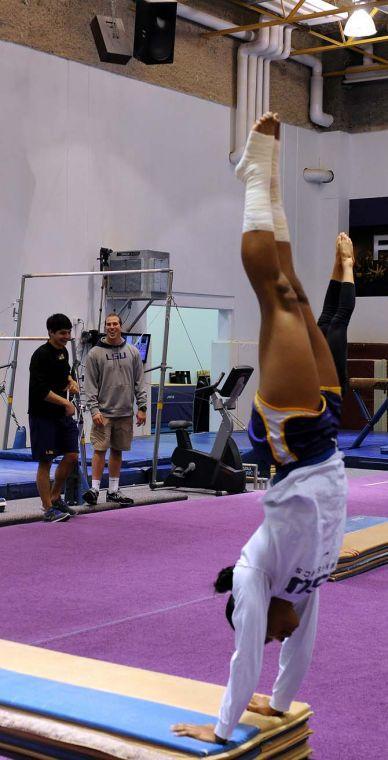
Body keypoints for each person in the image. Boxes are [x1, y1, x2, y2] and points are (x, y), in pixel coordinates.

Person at [172, 114, 347, 745]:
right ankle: (262, 177)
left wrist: (220, 729)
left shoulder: (255, 581)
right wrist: (280, 699)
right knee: (298, 296)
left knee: (272, 294)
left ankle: (256, 175)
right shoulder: (303, 594)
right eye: (277, 633)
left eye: (271, 629)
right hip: (324, 441)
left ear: (250, 612)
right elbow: (301, 648)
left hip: (290, 445)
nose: (280, 634)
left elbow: (244, 655)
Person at [83, 313, 147, 506]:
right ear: (105, 327)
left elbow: (139, 382)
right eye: (108, 324)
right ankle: (94, 489)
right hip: (103, 413)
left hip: (125, 412)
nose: (112, 327)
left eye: (115, 324)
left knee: (118, 451)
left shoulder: (133, 352)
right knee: (99, 450)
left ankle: (113, 491)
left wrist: (142, 407)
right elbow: (90, 386)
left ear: (121, 326)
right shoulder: (95, 353)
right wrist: (94, 410)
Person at [28, 313, 79, 522]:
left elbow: (65, 372)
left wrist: (71, 381)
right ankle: (47, 508)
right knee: (46, 461)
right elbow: (41, 391)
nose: (66, 337)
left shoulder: (63, 352)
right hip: (43, 415)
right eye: (62, 333)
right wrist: (66, 402)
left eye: (68, 333)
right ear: (50, 333)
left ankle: (56, 496)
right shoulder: (40, 355)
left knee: (72, 456)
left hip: (61, 416)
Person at [317, 232, 356, 396]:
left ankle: (340, 264)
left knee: (327, 320)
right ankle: (346, 264)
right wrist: (346, 263)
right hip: (330, 387)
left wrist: (337, 263)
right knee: (337, 322)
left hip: (316, 381)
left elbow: (328, 314)